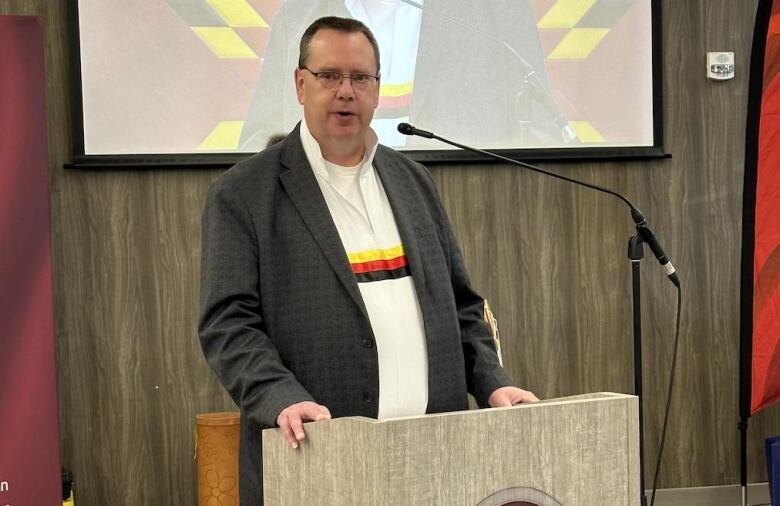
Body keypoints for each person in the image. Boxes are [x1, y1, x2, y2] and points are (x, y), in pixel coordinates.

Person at [198, 16, 538, 506]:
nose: (346, 91)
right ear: (300, 83)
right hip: (317, 462)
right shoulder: (243, 194)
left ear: (378, 90)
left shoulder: (413, 181)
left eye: (360, 78)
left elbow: (461, 307)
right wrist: (280, 397)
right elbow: (228, 325)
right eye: (329, 76)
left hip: (434, 461)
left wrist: (492, 384)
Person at [237, 0, 567, 151]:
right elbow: (259, 142)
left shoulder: (494, 11)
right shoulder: (300, 14)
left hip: (472, 232)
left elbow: (544, 140)